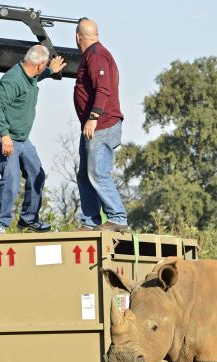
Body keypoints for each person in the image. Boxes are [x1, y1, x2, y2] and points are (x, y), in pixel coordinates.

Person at [0, 45, 66, 234]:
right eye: (44, 66)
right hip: (5, 136)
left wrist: (51, 70)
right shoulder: (12, 81)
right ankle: (0, 224)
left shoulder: (31, 73)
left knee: (37, 174)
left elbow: (39, 75)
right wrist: (5, 136)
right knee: (11, 178)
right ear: (39, 65)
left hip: (23, 138)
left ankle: (29, 219)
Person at [73, 18, 129, 232]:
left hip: (101, 125)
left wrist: (93, 116)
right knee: (85, 174)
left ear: (78, 37)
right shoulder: (94, 54)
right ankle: (90, 222)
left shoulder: (96, 55)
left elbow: (103, 88)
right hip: (92, 127)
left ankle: (117, 218)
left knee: (97, 172)